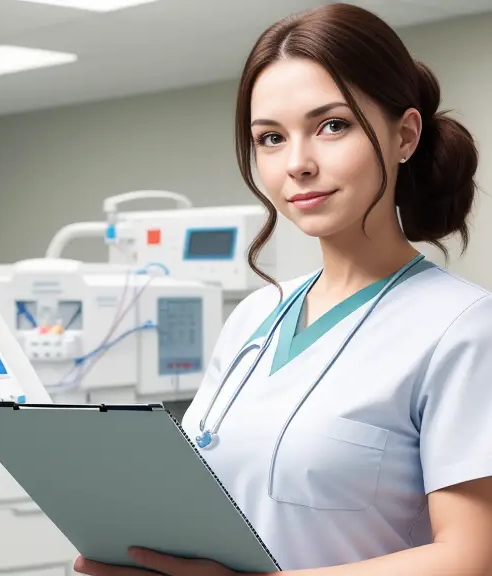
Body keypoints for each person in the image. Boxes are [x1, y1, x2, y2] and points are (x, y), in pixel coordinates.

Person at [75, 3, 492, 575]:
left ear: (406, 135)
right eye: (270, 138)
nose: (297, 164)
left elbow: (472, 558)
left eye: (332, 126)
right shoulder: (254, 317)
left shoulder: (463, 327)